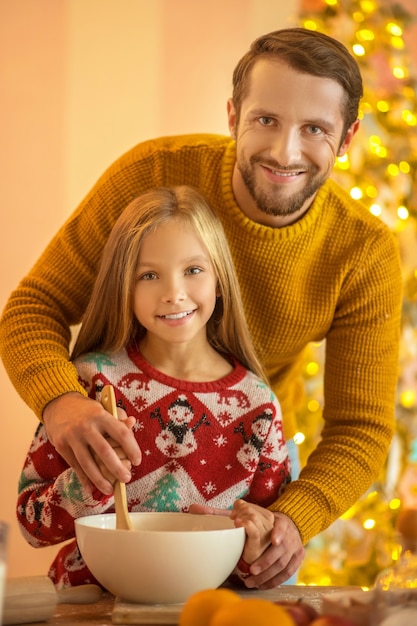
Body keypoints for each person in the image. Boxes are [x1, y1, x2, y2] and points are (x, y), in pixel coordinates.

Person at [1, 27, 402, 588]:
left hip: (236, 460)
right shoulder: (152, 174)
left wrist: (290, 519)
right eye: (267, 120)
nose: (285, 151)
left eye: (315, 128)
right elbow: (32, 306)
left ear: (348, 138)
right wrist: (62, 400)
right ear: (234, 115)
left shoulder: (364, 253)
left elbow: (360, 428)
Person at [16, 186, 289, 588]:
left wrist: (255, 545)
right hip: (85, 610)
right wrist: (90, 484)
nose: (173, 292)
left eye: (193, 270)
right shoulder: (88, 384)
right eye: (149, 275)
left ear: (219, 279)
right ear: (124, 286)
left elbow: (263, 563)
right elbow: (30, 526)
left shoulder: (258, 407)